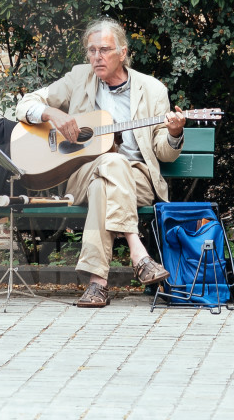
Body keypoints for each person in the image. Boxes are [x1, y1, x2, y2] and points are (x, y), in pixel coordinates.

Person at [15, 18, 186, 308]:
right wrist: (50, 114)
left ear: (123, 52)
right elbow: (24, 104)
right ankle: (139, 254)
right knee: (109, 163)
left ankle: (97, 284)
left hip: (137, 181)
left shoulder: (153, 90)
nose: (96, 57)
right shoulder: (78, 78)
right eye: (91, 50)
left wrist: (174, 133)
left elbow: (164, 153)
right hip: (81, 173)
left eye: (104, 50)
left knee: (105, 181)